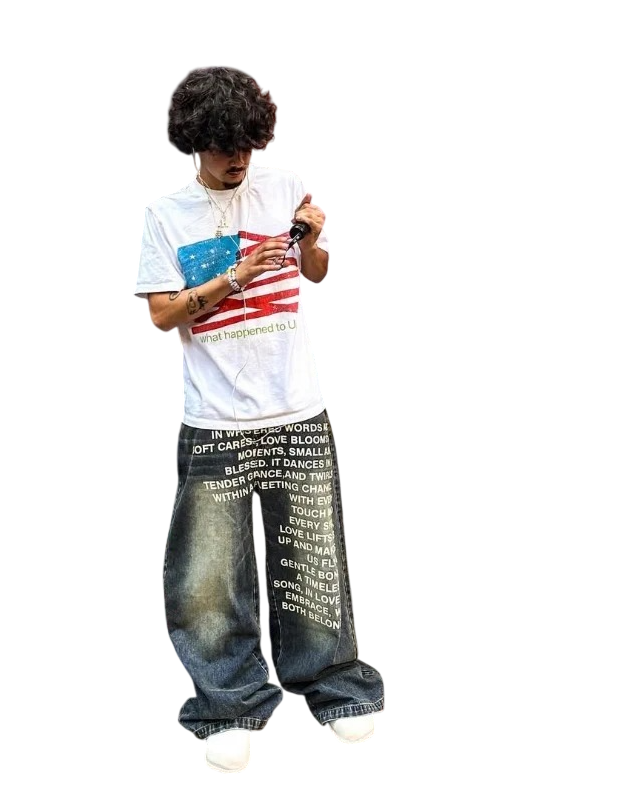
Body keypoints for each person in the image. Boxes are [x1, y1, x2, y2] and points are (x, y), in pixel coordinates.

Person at [135, 66, 384, 773]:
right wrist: (236, 276)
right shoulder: (167, 215)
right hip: (215, 419)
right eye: (223, 147)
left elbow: (316, 273)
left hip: (297, 408)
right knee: (209, 572)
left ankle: (333, 685)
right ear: (196, 143)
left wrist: (311, 241)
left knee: (312, 559)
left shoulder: (282, 186)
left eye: (247, 143)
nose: (238, 158)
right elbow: (162, 316)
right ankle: (227, 701)